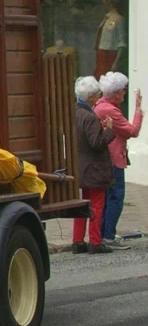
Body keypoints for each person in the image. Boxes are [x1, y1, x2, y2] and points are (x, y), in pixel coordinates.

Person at [93, 71, 143, 249]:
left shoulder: (99, 106)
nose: (124, 93)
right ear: (115, 92)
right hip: (114, 159)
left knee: (106, 198)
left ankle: (103, 233)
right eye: (123, 90)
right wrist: (138, 111)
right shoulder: (111, 110)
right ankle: (108, 235)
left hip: (105, 159)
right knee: (116, 197)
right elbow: (132, 131)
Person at [72, 77, 116, 255]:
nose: (98, 96)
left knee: (81, 204)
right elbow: (97, 143)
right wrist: (109, 131)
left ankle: (77, 240)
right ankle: (95, 242)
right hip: (94, 168)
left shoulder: (74, 112)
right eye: (97, 93)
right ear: (90, 96)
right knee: (96, 205)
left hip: (79, 166)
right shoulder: (90, 117)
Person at [94, 0, 126, 78]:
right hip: (101, 53)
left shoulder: (119, 19)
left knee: (109, 79)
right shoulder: (105, 18)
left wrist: (116, 62)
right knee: (99, 77)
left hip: (110, 54)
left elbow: (122, 42)